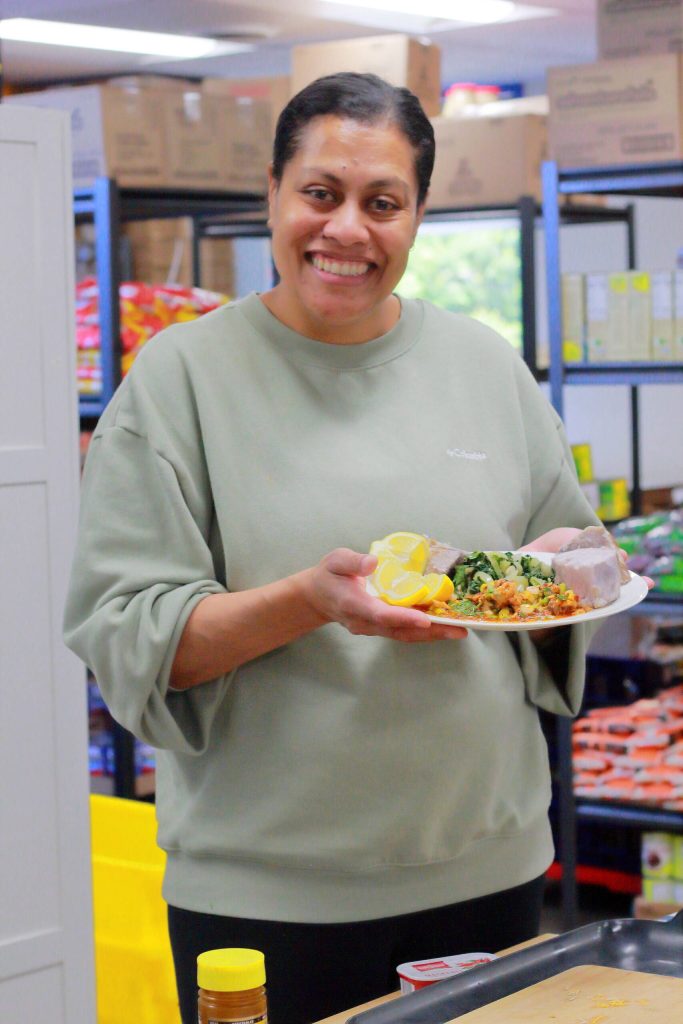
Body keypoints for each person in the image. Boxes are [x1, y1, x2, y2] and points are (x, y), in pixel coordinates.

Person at [65, 72, 601, 1024]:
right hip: (265, 896)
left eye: (382, 203)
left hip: (488, 869)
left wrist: (558, 570)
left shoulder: (484, 366)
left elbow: (572, 570)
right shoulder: (179, 381)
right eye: (320, 193)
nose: (347, 229)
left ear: (418, 215)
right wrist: (308, 600)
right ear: (271, 192)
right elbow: (129, 635)